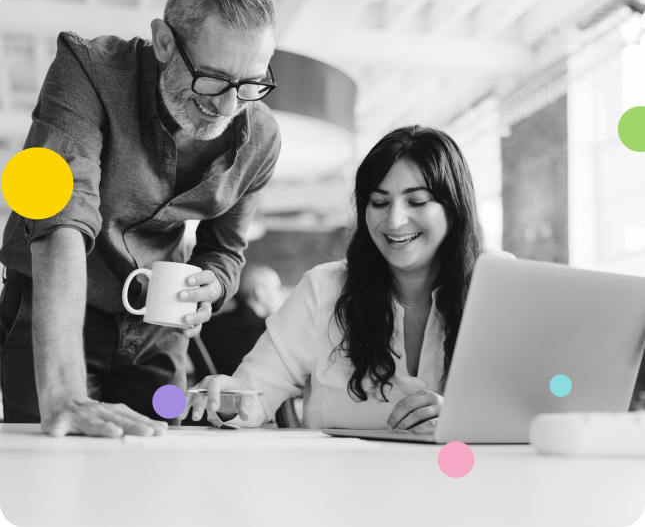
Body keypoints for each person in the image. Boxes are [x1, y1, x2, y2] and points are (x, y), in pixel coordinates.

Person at [0, 0, 280, 438]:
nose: (230, 106)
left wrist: (215, 285)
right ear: (165, 41)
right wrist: (66, 395)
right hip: (55, 310)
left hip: (157, 330)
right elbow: (59, 215)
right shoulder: (87, 69)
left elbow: (226, 250)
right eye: (212, 77)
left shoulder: (262, 139)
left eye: (250, 82)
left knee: (157, 455)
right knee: (50, 458)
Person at [182, 125, 504, 431]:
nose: (394, 220)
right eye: (379, 202)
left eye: (417, 201)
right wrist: (227, 397)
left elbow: (541, 401)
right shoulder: (324, 290)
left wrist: (466, 418)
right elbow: (252, 393)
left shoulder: (499, 287)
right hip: (337, 485)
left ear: (454, 207)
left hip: (459, 482)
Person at [195, 264, 283, 380]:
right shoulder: (270, 330)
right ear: (260, 293)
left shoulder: (206, 325)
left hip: (210, 394)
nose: (281, 295)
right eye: (278, 288)